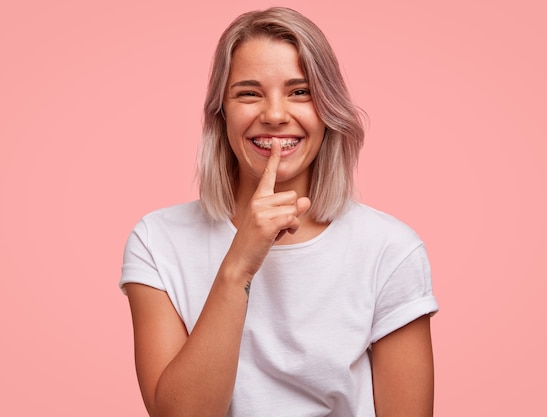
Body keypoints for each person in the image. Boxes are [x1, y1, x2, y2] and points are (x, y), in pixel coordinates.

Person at [120, 7, 438, 417]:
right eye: (249, 93)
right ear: (221, 113)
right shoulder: (157, 242)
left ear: (328, 109)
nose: (273, 115)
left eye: (300, 91)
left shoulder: (390, 249)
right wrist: (239, 262)